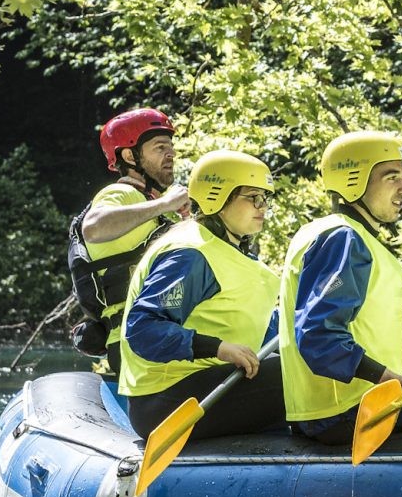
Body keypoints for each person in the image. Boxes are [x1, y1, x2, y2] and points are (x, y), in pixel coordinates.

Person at [280, 130, 402, 445]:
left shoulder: (351, 237)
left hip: (360, 400)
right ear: (355, 180)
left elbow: (377, 341)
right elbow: (318, 335)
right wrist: (396, 381)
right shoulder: (342, 238)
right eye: (392, 177)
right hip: (347, 410)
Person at [118, 149, 283, 441]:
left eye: (265, 198)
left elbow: (259, 326)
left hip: (212, 384)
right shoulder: (190, 254)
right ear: (217, 197)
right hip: (166, 401)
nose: (263, 206)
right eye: (253, 197)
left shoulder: (231, 254)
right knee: (292, 375)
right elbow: (143, 329)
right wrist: (218, 347)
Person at [71, 108, 191, 379]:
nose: (170, 154)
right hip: (137, 342)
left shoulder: (150, 208)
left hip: (158, 337)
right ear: (129, 156)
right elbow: (94, 226)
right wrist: (165, 203)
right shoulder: (120, 192)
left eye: (171, 147)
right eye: (160, 147)